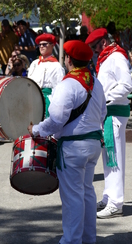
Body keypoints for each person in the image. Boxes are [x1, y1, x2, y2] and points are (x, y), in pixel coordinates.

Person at [28, 40, 107, 244]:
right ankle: (89, 239)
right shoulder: (95, 83)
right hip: (93, 145)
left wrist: (36, 129)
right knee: (87, 192)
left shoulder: (67, 84)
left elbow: (56, 120)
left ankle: (71, 241)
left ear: (69, 59)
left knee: (73, 197)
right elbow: (103, 113)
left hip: (73, 148)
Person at [85, 28, 132, 219]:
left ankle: (116, 202)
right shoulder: (106, 58)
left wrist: (105, 99)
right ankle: (109, 196)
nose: (94, 51)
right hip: (108, 113)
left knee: (115, 157)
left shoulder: (116, 57)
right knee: (109, 157)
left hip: (114, 112)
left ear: (104, 42)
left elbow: (127, 85)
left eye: (95, 47)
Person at [28, 33, 65, 117]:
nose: (41, 46)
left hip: (47, 102)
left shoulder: (57, 66)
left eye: (44, 44)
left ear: (52, 46)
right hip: (32, 99)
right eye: (40, 44)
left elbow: (60, 90)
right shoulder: (34, 63)